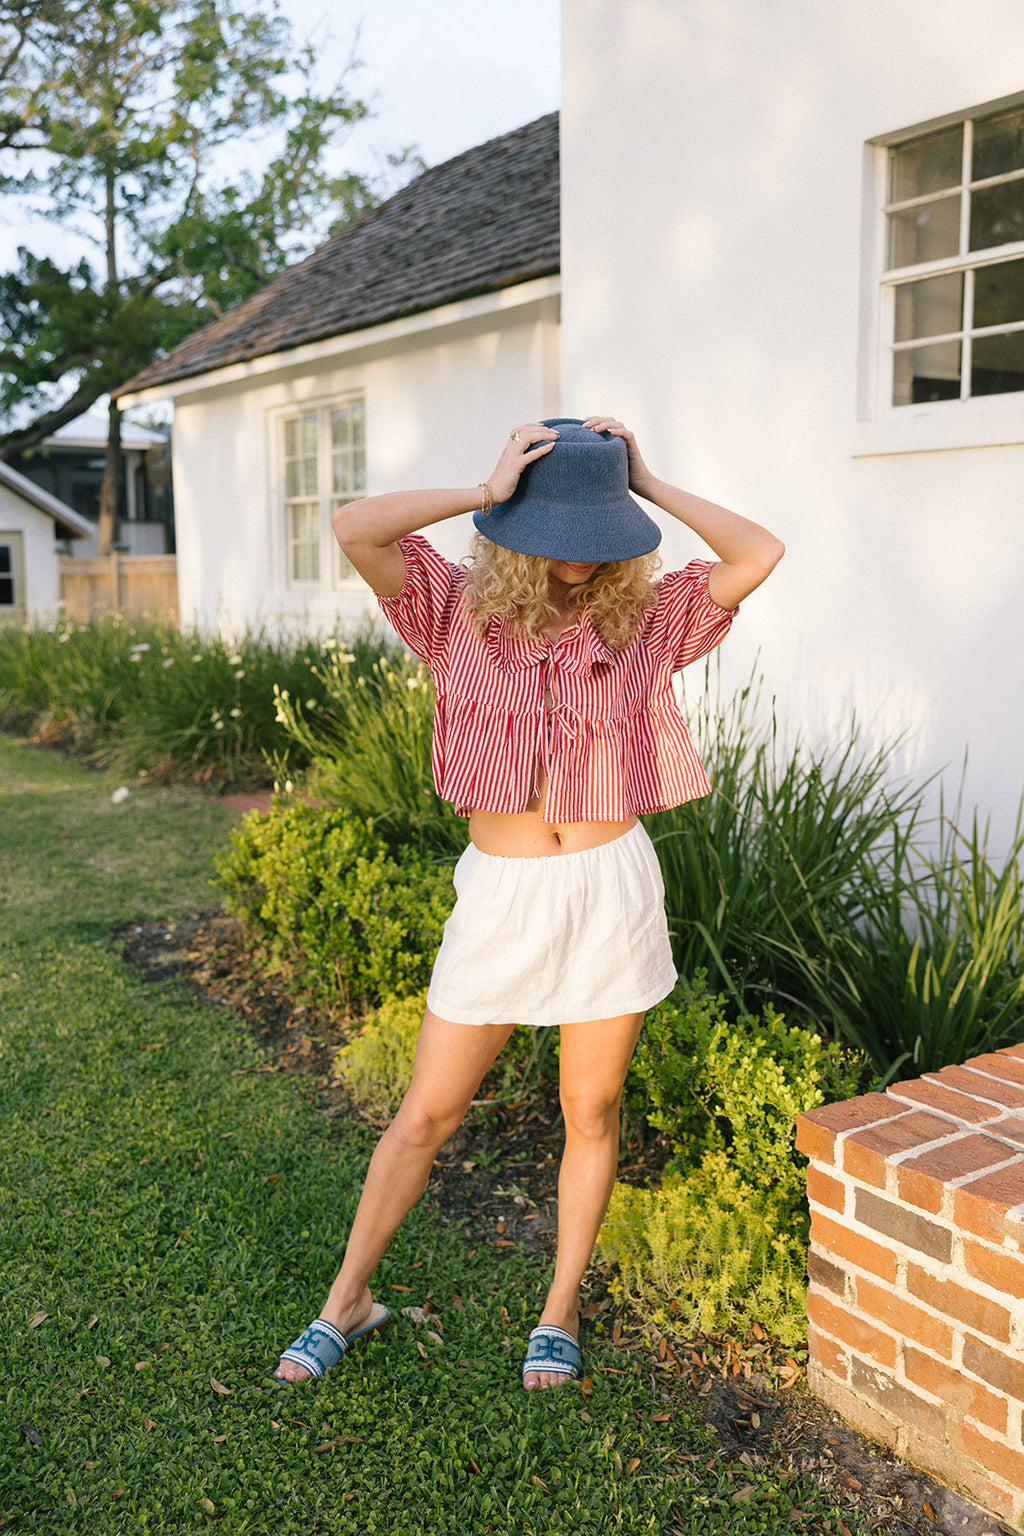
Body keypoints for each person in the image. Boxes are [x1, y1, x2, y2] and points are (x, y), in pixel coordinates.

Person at [274, 416, 784, 1391]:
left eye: (600, 534)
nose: (580, 558)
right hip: (503, 895)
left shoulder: (648, 622)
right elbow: (354, 527)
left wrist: (647, 481)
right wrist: (484, 490)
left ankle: (559, 1309)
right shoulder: (449, 612)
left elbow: (757, 553)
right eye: (561, 532)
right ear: (516, 525)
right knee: (426, 1114)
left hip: (609, 885)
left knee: (590, 1108)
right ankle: (347, 1300)